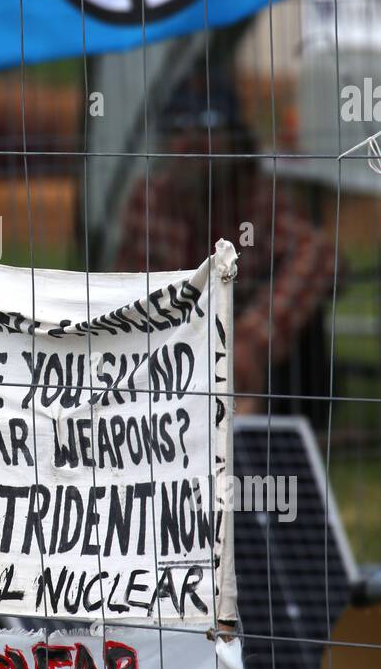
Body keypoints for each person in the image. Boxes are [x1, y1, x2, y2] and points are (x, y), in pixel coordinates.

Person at [115, 68, 337, 414]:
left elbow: (320, 255)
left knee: (301, 308)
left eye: (207, 129)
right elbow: (128, 294)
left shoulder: (260, 198)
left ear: (235, 139)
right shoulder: (148, 201)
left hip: (250, 359)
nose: (190, 142)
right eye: (177, 130)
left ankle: (279, 428)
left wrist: (249, 340)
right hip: (175, 352)